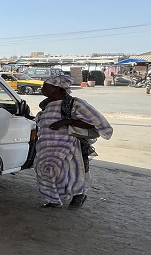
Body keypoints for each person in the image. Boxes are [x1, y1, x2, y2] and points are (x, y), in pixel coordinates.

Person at [34, 75, 113, 210]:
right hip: (46, 146)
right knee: (44, 170)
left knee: (70, 173)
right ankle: (54, 199)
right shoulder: (46, 104)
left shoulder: (76, 103)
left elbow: (94, 121)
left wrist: (66, 121)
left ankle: (78, 195)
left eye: (46, 87)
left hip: (68, 145)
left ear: (59, 89)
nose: (42, 90)